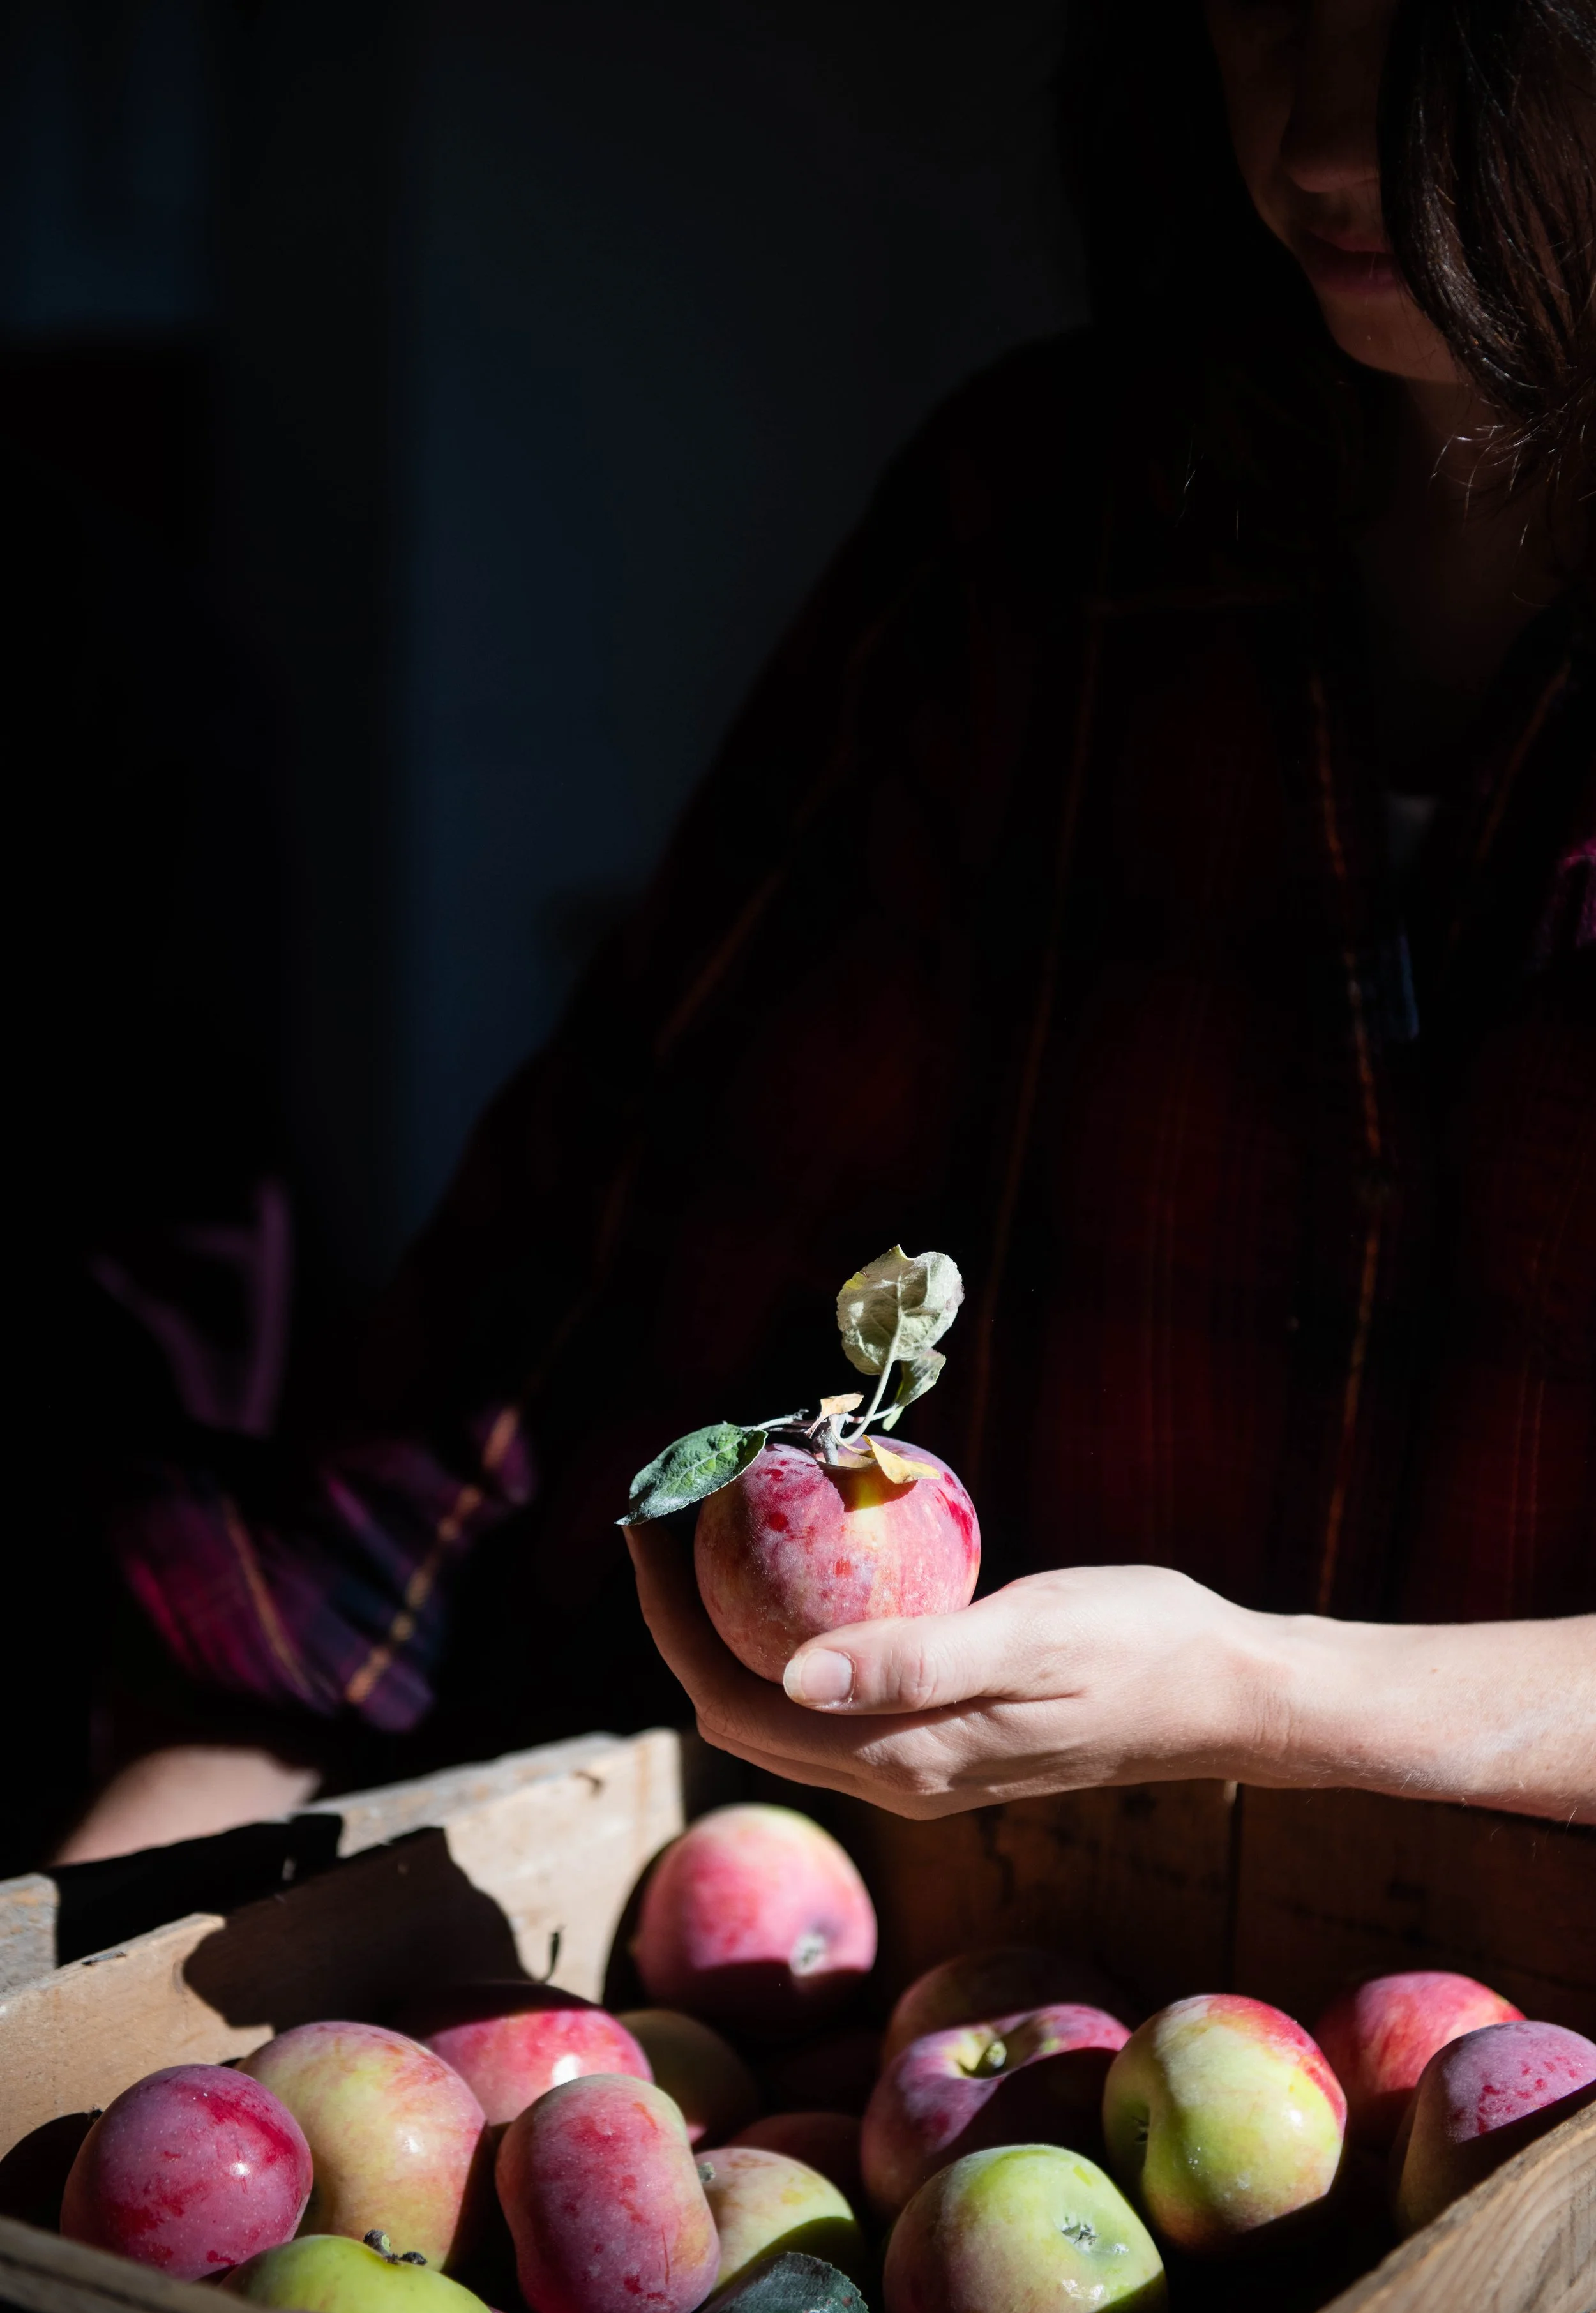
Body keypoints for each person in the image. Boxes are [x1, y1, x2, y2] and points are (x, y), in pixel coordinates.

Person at [60, 0, 1594, 1862]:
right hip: (1002, 1974)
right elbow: (563, 1307)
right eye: (1267, 3)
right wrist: (110, 1916)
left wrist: (1272, 1696)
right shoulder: (1048, 535)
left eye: (1441, 39)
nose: (1323, 142)